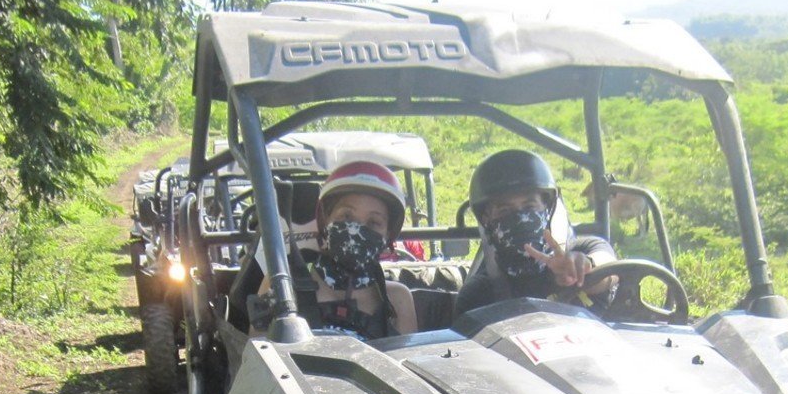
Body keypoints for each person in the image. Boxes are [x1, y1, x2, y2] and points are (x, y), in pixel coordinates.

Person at [256, 161, 419, 338]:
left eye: (373, 223)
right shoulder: (282, 287)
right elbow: (255, 359)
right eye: (346, 216)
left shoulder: (397, 300)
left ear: (388, 235)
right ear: (326, 220)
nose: (356, 229)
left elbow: (407, 362)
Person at [454, 149, 616, 318]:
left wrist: (583, 269)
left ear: (547, 208)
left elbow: (610, 269)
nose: (521, 218)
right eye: (505, 210)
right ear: (487, 219)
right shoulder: (477, 295)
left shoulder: (585, 248)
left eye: (530, 206)